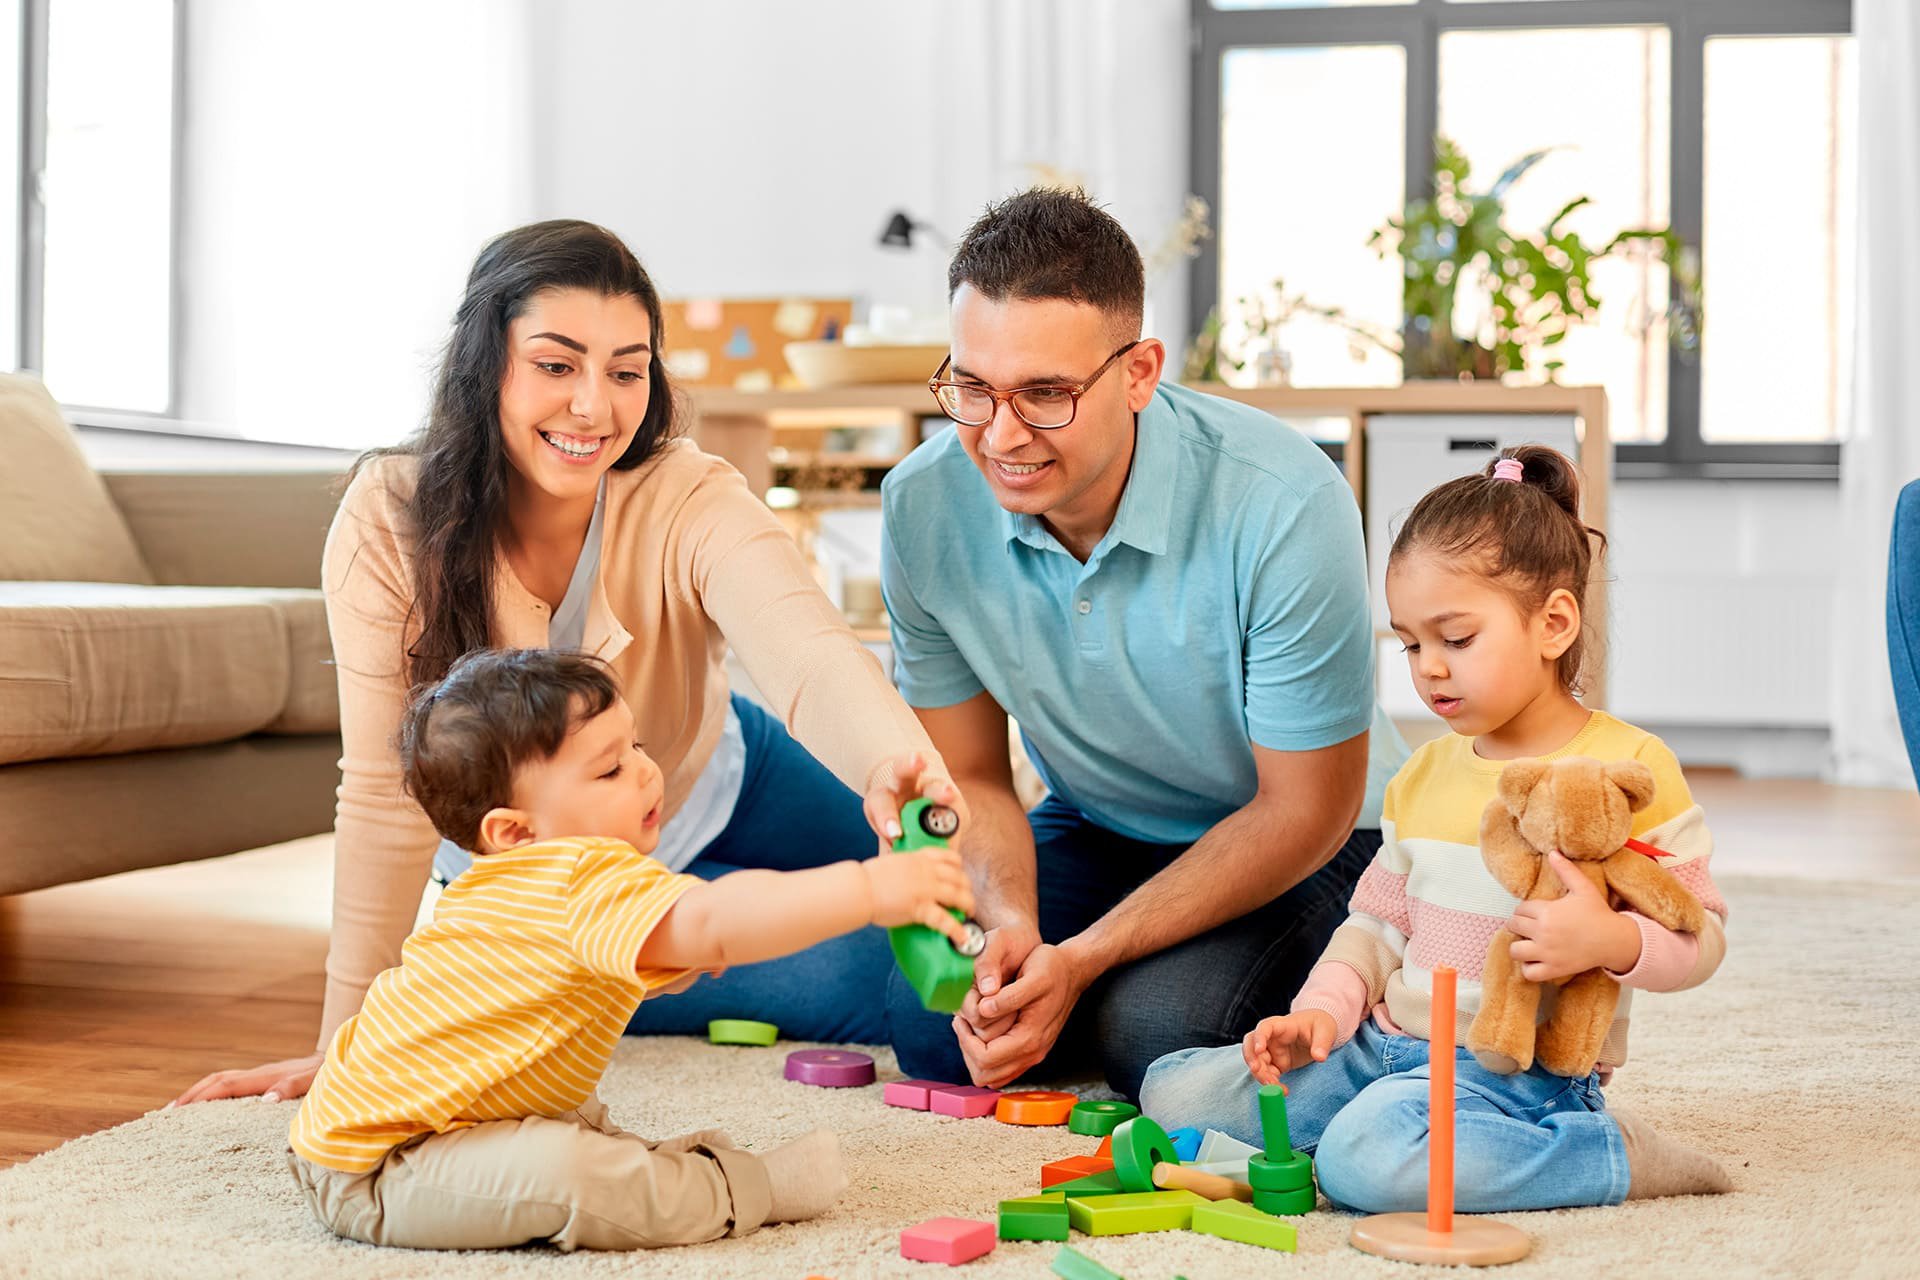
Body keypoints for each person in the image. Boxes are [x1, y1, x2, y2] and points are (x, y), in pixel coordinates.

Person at [175, 220, 962, 1110]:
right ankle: (591, 984)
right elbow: (382, 796)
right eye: (557, 366)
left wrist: (899, 762)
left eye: (627, 371)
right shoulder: (388, 520)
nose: (595, 407)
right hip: (564, 883)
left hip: (720, 769)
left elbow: (809, 654)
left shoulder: (684, 492)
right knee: (897, 982)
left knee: (964, 887)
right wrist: (348, 1045)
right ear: (486, 367)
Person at [879, 187, 1408, 1100]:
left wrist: (1079, 959)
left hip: (1318, 837)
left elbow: (1303, 811)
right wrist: (1012, 926)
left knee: (1151, 1031)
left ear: (1139, 372)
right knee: (932, 1021)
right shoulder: (922, 507)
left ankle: (1367, 984)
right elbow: (972, 773)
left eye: (1046, 394)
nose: (1000, 435)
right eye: (971, 387)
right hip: (1100, 820)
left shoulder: (1284, 500)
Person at [1140, 445, 1733, 1212]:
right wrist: (1319, 1013)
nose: (1429, 669)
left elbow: (1703, 938)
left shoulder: (1630, 765)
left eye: (1457, 639)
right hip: (1380, 1045)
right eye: (1413, 643)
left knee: (1368, 1165)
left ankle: (1607, 1155)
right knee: (1171, 1090)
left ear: (1554, 623)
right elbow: (1376, 926)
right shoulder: (1421, 774)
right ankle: (1375, 1123)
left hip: (1511, 1071)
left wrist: (1612, 943)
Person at [287, 648, 973, 1251]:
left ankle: (664, 1167)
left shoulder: (496, 887)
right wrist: (868, 888)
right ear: (515, 832)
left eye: (637, 746)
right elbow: (713, 919)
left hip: (436, 1119)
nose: (647, 774)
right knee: (572, 1177)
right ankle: (745, 1189)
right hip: (380, 1166)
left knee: (572, 1129)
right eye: (611, 770)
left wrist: (663, 969)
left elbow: (553, 983)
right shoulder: (577, 876)